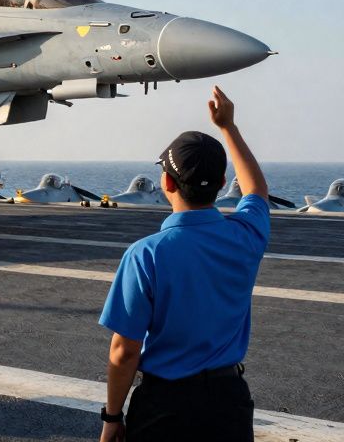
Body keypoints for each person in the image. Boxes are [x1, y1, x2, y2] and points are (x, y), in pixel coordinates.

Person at [97, 87, 269, 441]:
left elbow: (124, 351)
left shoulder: (147, 254)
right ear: (222, 183)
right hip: (229, 405)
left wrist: (112, 416)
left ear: (166, 182)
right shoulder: (246, 235)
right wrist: (228, 127)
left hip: (166, 407)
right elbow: (256, 192)